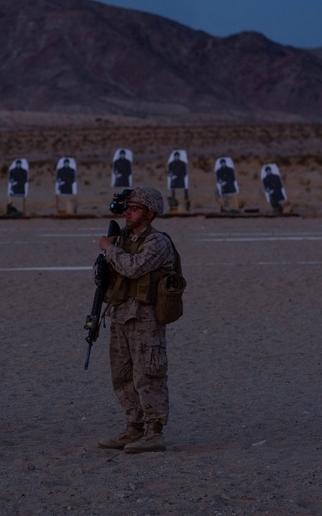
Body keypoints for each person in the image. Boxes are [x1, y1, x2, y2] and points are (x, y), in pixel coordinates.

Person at [97, 186, 176, 453]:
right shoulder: (124, 239)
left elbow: (133, 268)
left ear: (149, 213)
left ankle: (154, 432)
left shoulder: (158, 242)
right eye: (127, 208)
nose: (127, 213)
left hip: (146, 317)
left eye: (134, 209)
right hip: (121, 313)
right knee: (122, 375)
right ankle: (134, 426)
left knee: (148, 374)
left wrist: (109, 250)